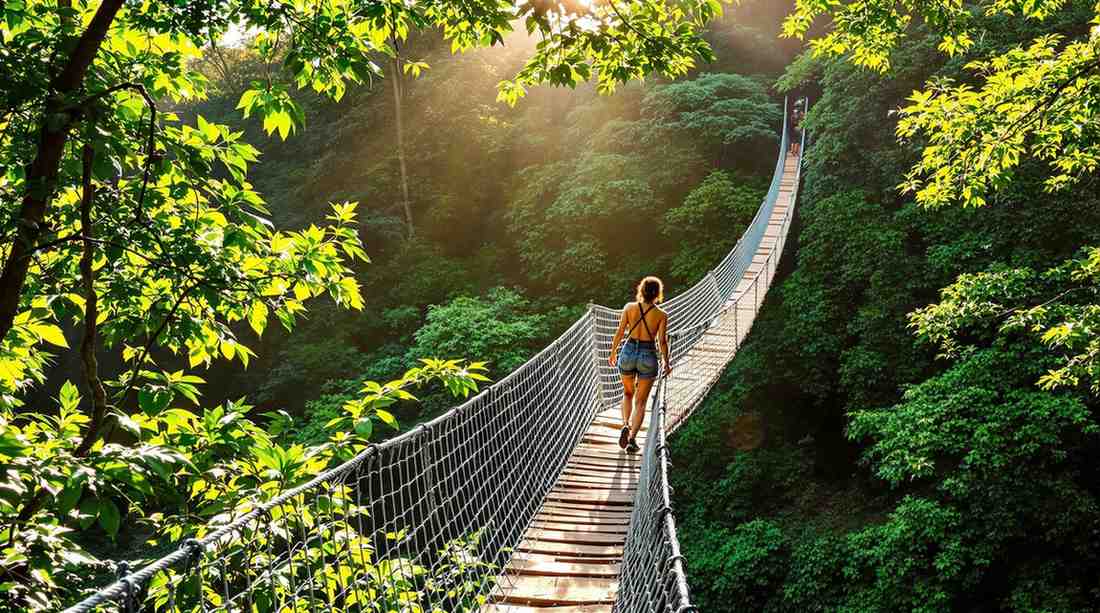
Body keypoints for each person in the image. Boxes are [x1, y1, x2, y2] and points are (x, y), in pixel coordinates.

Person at [608, 276, 671, 453]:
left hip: (628, 351)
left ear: (641, 290)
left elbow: (620, 332)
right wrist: (666, 362)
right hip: (647, 354)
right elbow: (662, 342)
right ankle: (632, 439)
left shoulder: (629, 307)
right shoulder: (661, 315)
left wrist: (613, 352)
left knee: (627, 393)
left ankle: (625, 424)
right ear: (658, 293)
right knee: (641, 402)